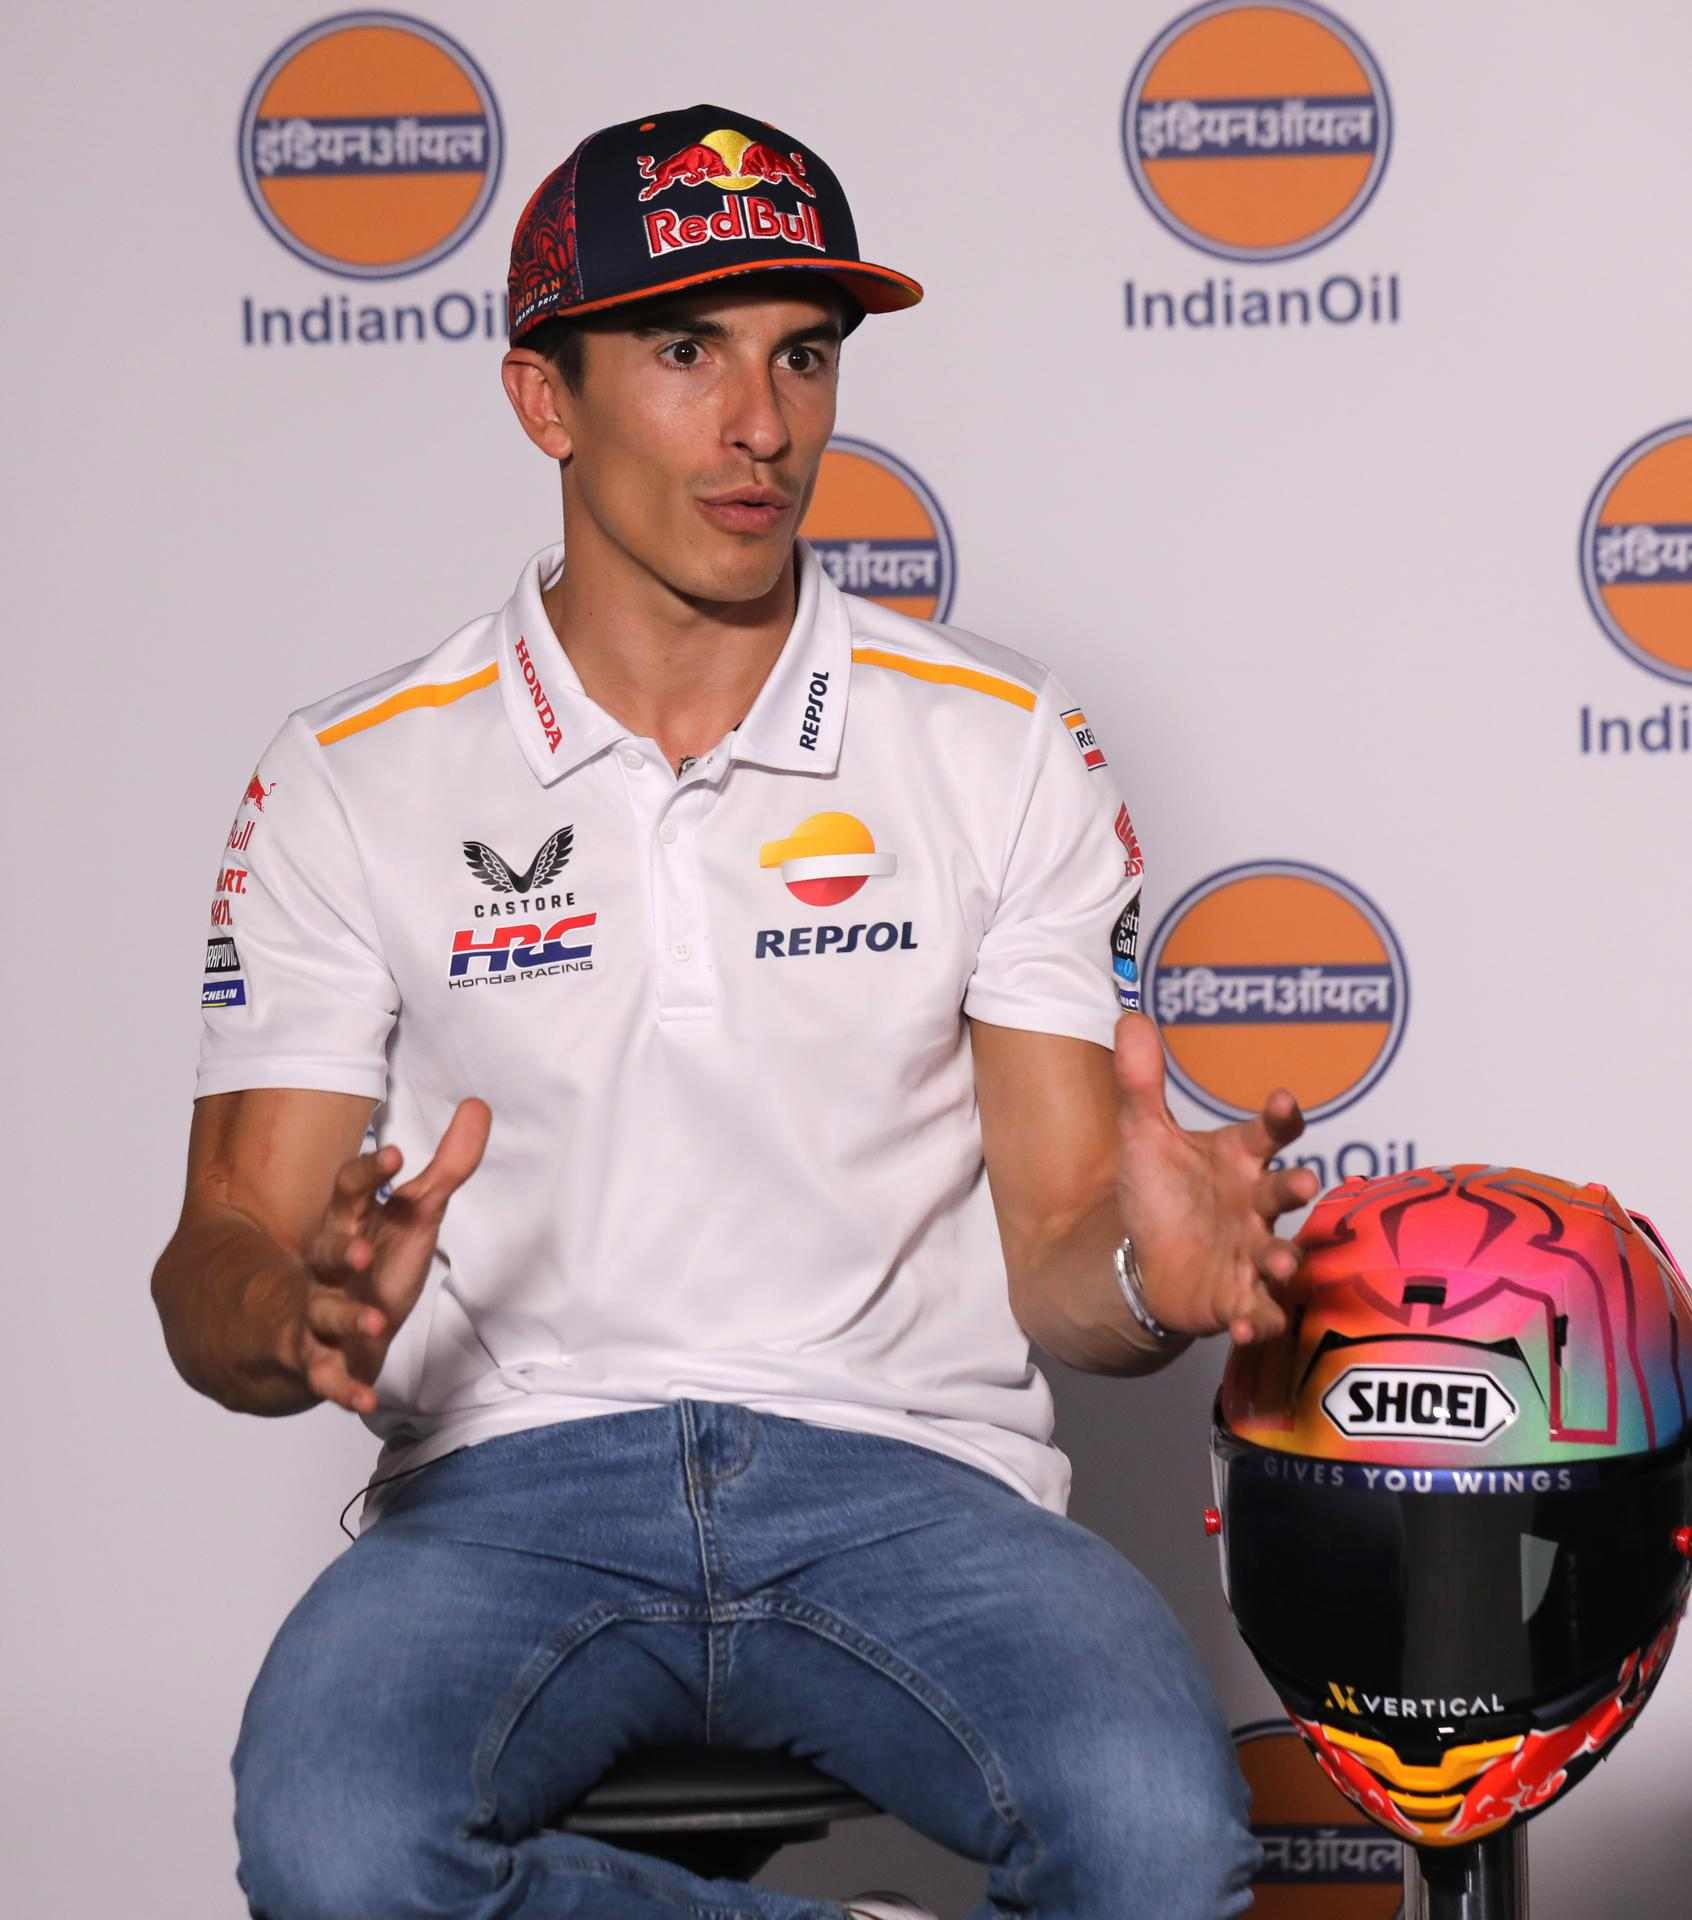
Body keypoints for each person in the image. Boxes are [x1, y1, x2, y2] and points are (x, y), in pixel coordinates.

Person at [151, 102, 1320, 1920]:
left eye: (803, 354)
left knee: (1162, 1846)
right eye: (686, 351)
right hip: (508, 1493)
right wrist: (286, 1312)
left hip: (914, 1484)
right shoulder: (355, 775)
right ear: (544, 397)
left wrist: (1151, 1280)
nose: (761, 424)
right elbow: (219, 1252)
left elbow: (1060, 1261)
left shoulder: (999, 741)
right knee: (341, 1845)